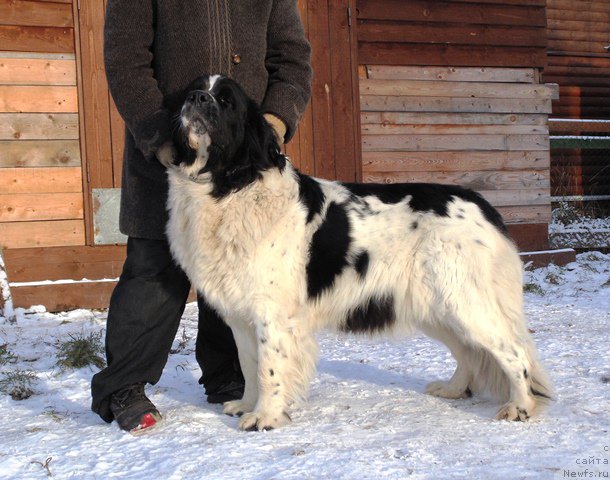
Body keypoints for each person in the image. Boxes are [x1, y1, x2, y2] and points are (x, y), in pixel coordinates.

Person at [91, 0, 312, 433]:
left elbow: (291, 56)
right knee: (153, 272)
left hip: (244, 161)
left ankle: (231, 375)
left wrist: (274, 120)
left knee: (240, 273)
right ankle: (125, 387)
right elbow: (125, 57)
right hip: (170, 155)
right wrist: (157, 135)